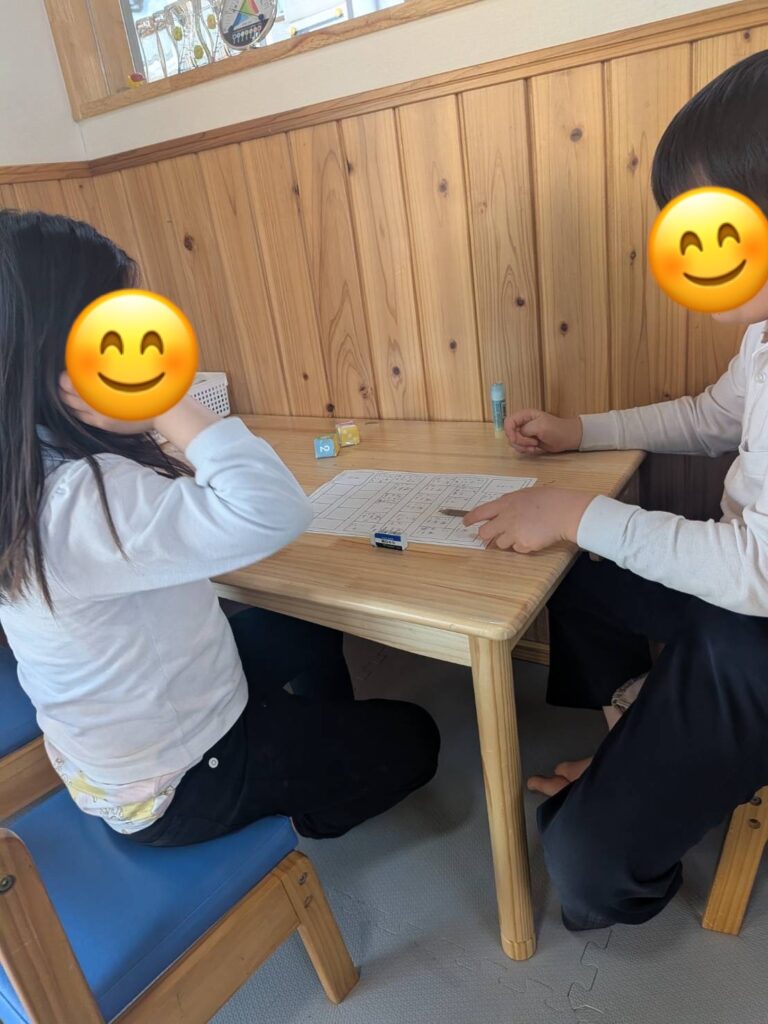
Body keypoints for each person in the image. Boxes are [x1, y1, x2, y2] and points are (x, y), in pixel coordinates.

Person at [0, 209, 439, 846]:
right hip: (178, 781)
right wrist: (161, 395)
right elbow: (273, 510)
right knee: (415, 737)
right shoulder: (81, 501)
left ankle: (310, 740)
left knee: (309, 623)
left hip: (137, 732)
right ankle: (304, 805)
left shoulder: (29, 468)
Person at [463, 50, 768, 930]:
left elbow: (755, 572)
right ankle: (637, 732)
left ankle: (636, 793)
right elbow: (710, 416)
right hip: (731, 601)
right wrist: (581, 431)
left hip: (755, 631)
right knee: (569, 574)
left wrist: (577, 510)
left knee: (583, 867)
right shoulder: (761, 337)